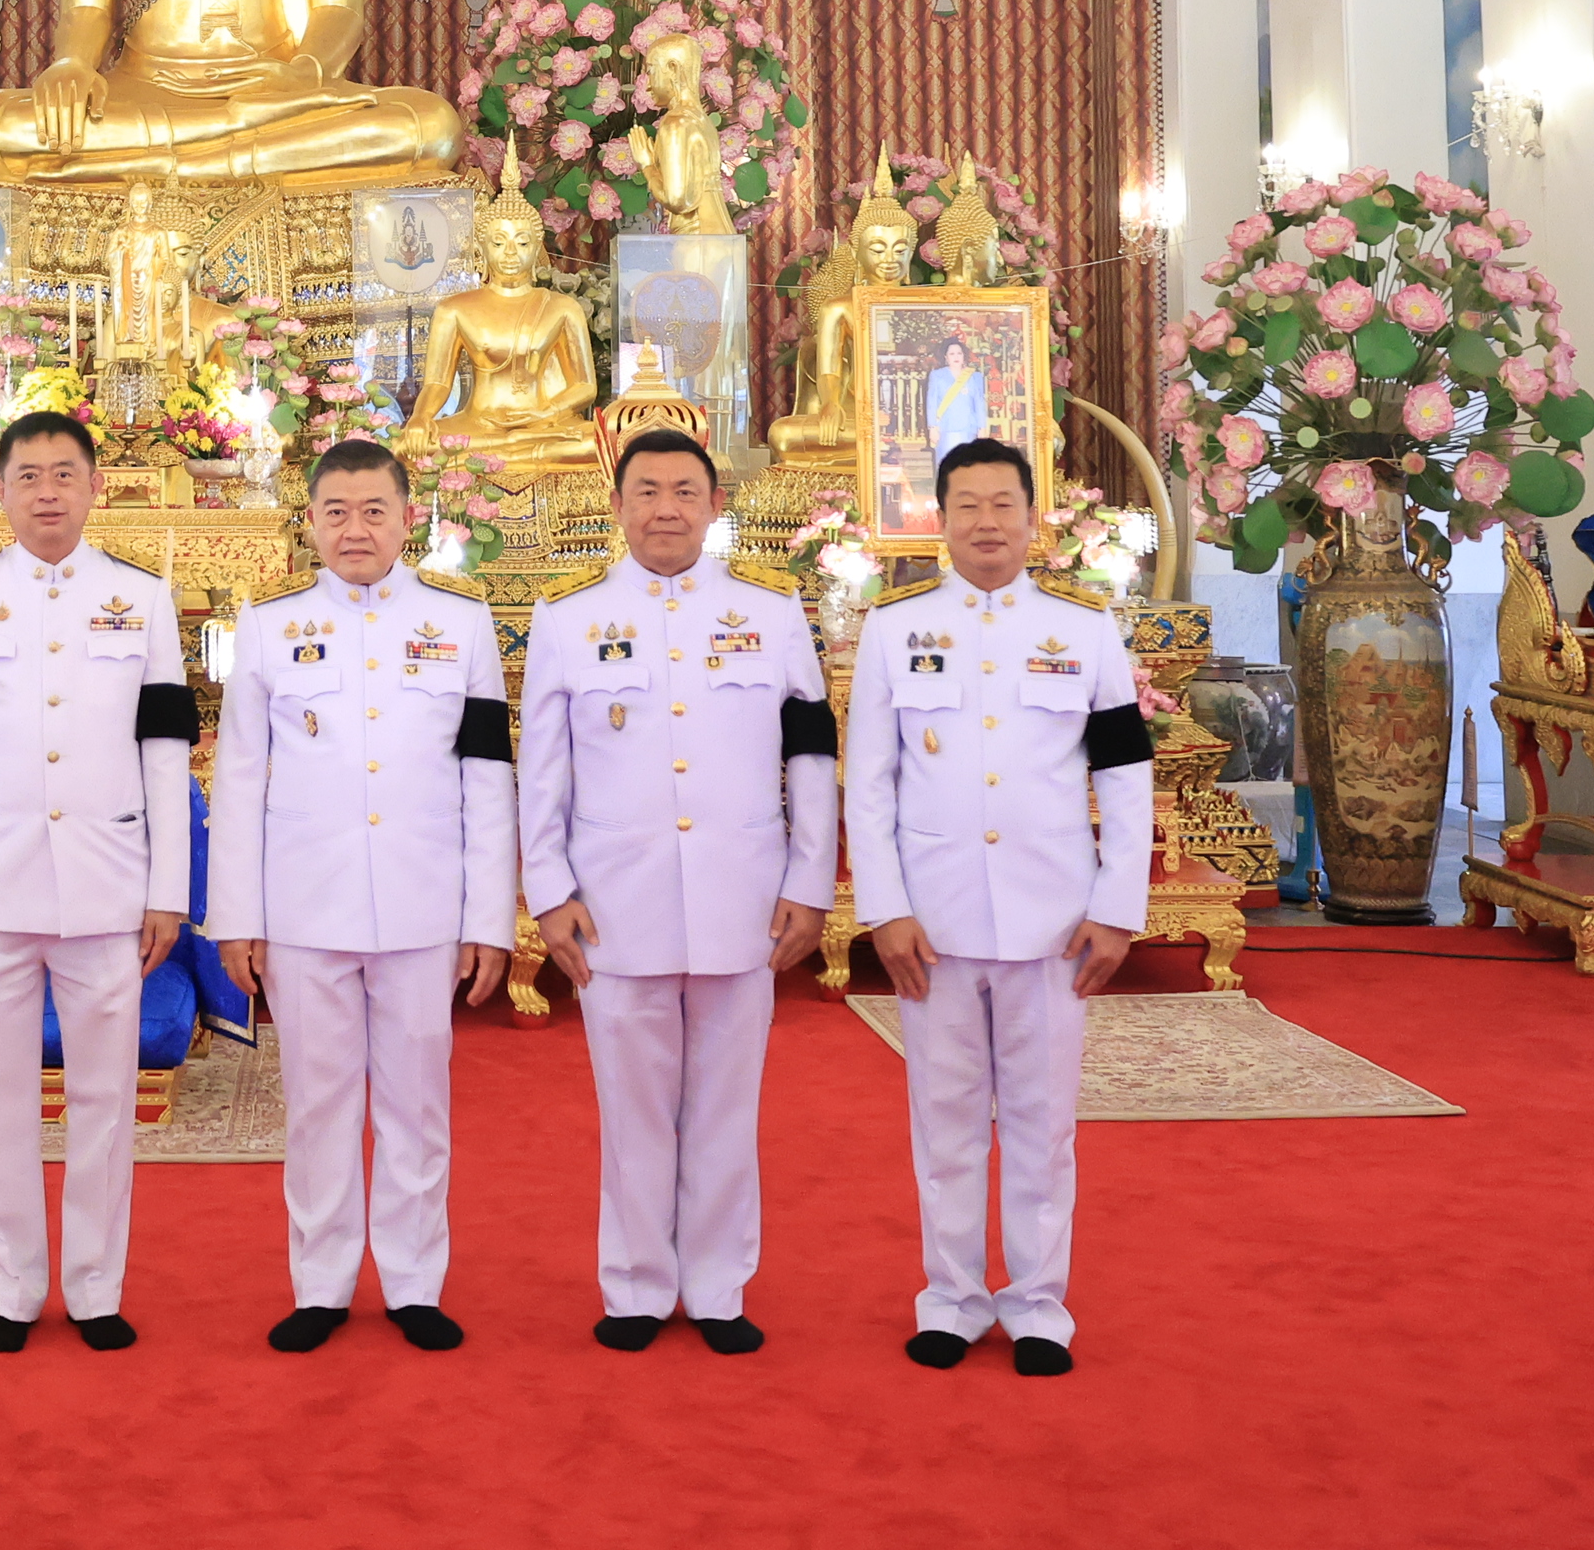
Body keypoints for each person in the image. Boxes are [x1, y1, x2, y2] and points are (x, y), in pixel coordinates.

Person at [842, 438, 1153, 1377]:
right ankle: (950, 1299)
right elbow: (871, 783)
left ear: (1032, 518)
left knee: (1041, 1122)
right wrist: (884, 909)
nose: (986, 522)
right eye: (966, 505)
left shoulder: (1087, 630)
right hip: (931, 924)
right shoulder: (895, 632)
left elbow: (1127, 781)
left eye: (1003, 505)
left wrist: (1118, 906)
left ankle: (1037, 1307)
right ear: (939, 519)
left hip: (1053, 918)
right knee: (943, 1119)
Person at [520, 429, 835, 1352]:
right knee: (633, 1105)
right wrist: (548, 889)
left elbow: (811, 756)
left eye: (685, 490)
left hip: (745, 896)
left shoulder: (773, 616)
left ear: (715, 505)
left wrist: (811, 881)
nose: (666, 507)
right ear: (616, 508)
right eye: (647, 490)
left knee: (728, 1107)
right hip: (617, 902)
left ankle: (720, 1285)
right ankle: (636, 1286)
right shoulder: (568, 620)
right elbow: (544, 771)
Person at [0, 411, 197, 1352]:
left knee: (107, 1097)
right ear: (1, 490)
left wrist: (169, 892)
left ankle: (99, 1288)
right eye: (28, 476)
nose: (48, 493)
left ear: (95, 485)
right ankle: (14, 1288)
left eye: (65, 474)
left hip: (108, 887)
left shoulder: (144, 600)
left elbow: (166, 752)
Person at [209, 439, 513, 1354]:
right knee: (319, 1101)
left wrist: (489, 918)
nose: (355, 527)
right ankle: (323, 1281)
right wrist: (237, 917)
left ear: (409, 517)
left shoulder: (462, 625)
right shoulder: (268, 626)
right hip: (306, 908)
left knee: (419, 1102)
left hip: (425, 905)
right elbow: (240, 779)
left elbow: (488, 780)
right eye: (336, 510)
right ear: (309, 522)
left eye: (374, 509)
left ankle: (416, 1280)